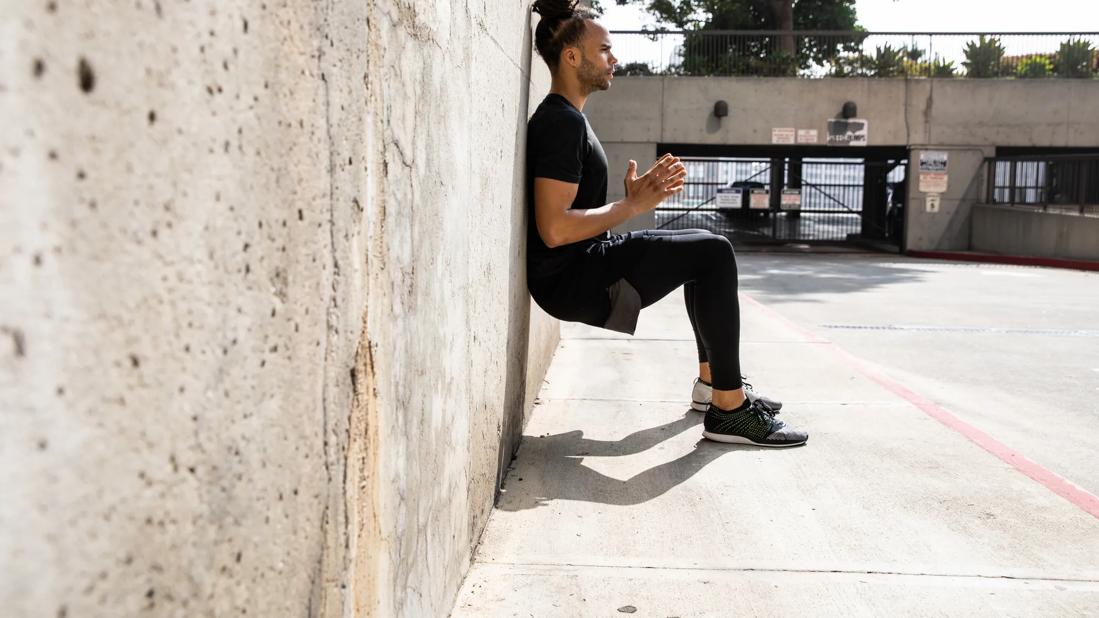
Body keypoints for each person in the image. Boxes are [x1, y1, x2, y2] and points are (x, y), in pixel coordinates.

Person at [525, 0, 808, 447]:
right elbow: (554, 229)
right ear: (572, 57)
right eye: (604, 49)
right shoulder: (560, 122)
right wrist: (630, 205)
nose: (613, 58)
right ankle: (729, 410)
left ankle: (713, 387)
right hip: (571, 278)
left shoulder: (569, 118)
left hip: (581, 266)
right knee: (713, 254)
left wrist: (626, 208)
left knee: (705, 248)